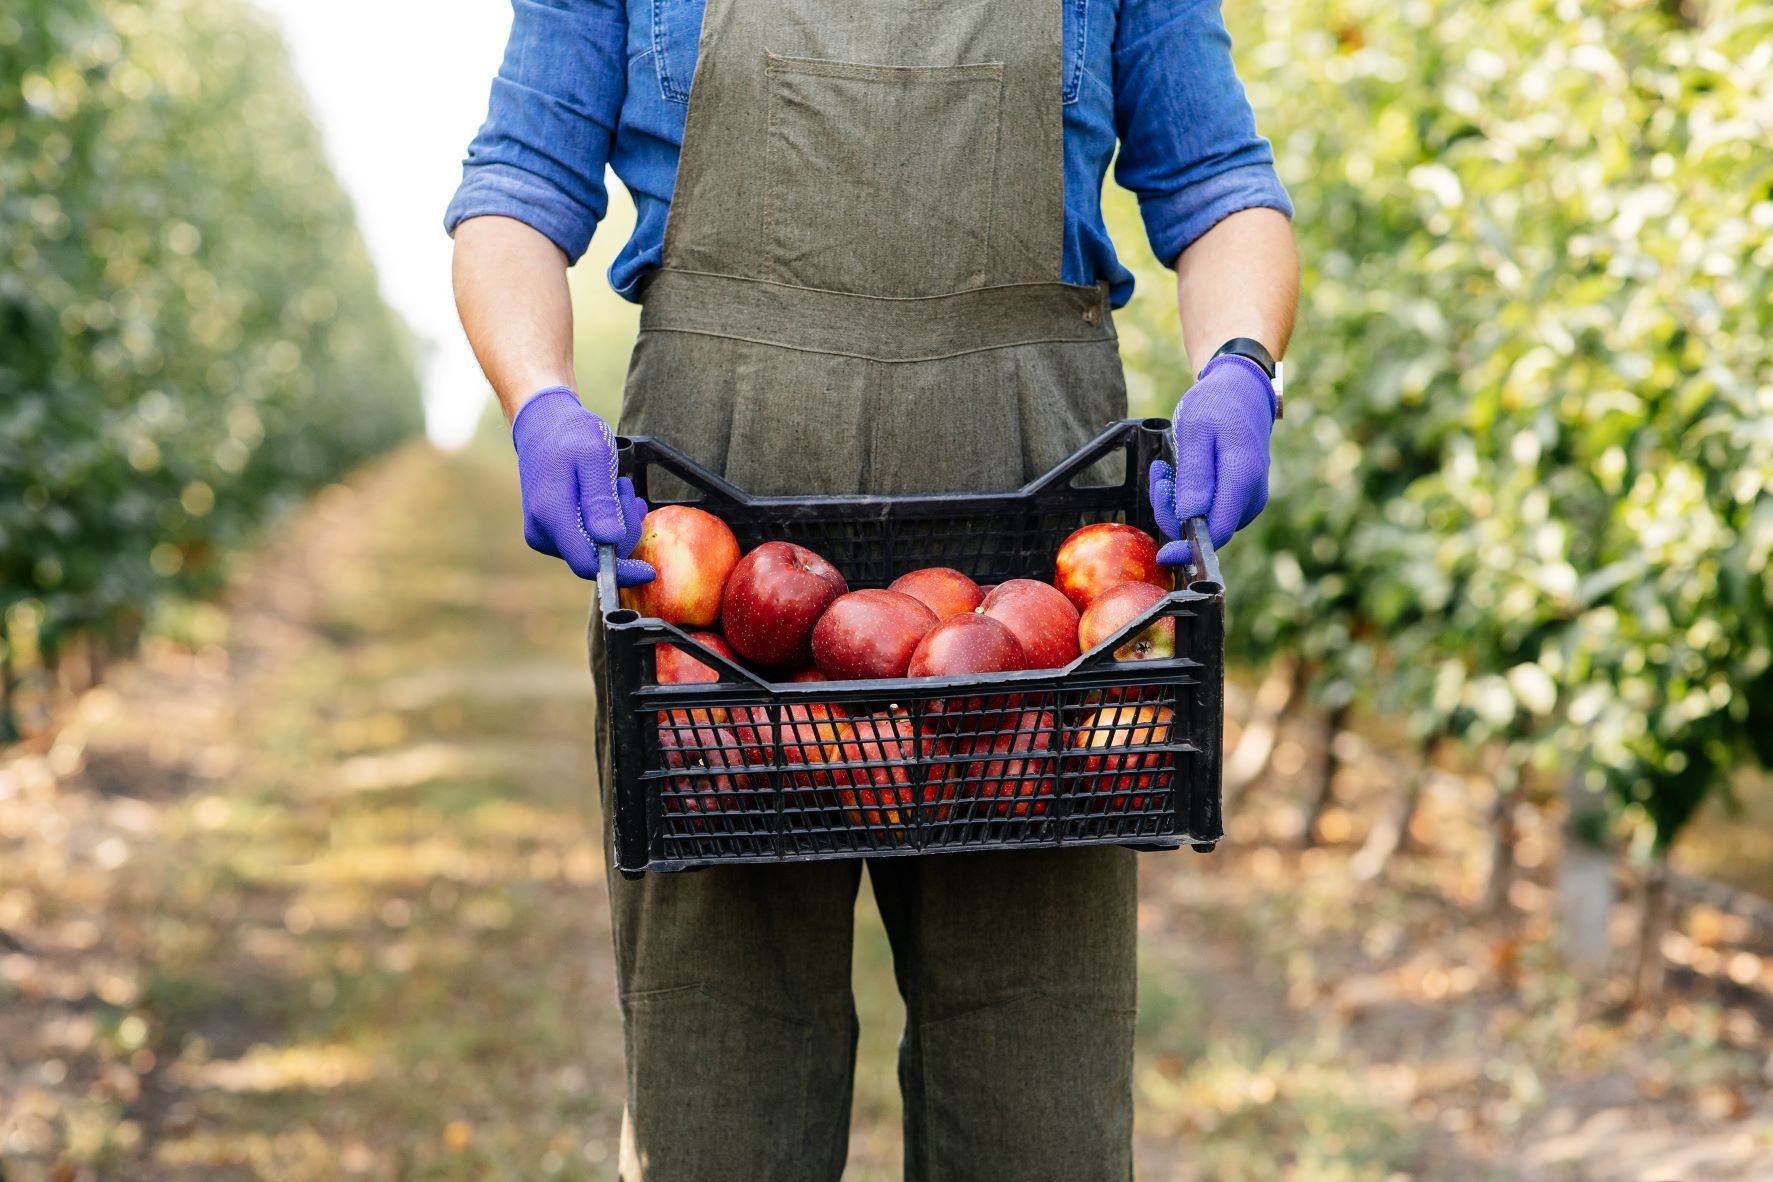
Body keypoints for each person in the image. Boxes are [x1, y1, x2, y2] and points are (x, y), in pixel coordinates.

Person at [447, 1, 1297, 1177]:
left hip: (1028, 562)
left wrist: (1244, 366)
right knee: (719, 1078)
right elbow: (516, 188)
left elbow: (1218, 184)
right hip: (721, 574)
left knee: (1032, 1088)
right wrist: (538, 396)